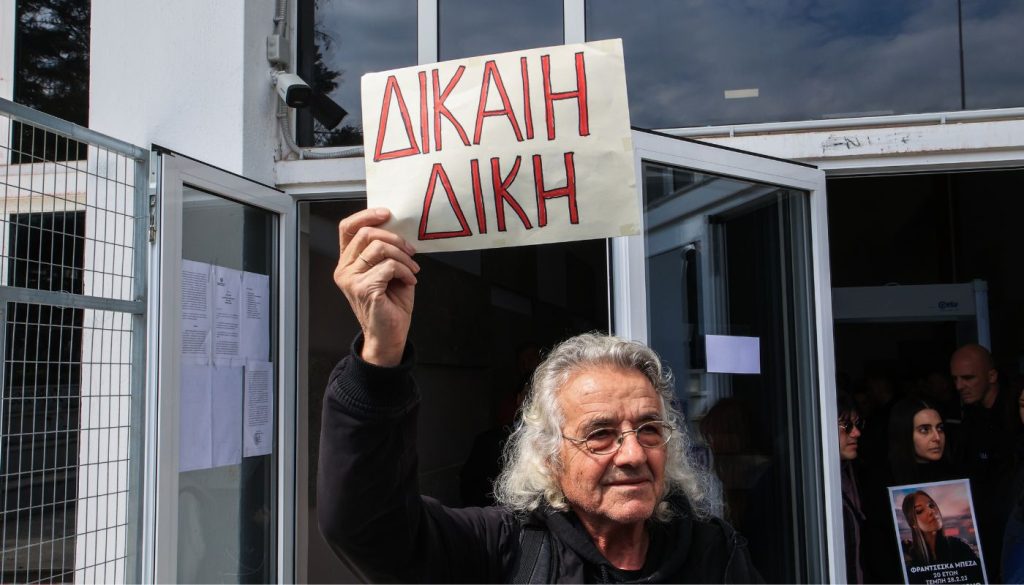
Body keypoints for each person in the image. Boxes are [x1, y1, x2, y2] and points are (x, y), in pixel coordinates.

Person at [317, 208, 762, 583]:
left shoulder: (713, 553)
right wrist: (381, 354)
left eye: (648, 429)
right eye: (600, 434)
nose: (633, 455)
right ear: (550, 458)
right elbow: (368, 528)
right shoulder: (503, 551)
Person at [949, 343, 1023, 580]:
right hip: (982, 534)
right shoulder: (970, 421)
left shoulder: (1014, 416)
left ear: (992, 376)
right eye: (955, 378)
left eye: (968, 377)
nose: (959, 386)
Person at [899, 490, 980, 582]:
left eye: (931, 505)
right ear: (912, 523)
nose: (931, 511)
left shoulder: (959, 546)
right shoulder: (908, 558)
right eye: (919, 511)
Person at [887, 398, 954, 486]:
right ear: (904, 434)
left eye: (940, 428)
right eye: (925, 430)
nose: (937, 437)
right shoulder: (886, 477)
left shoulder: (955, 472)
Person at [837, 391, 867, 583]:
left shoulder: (856, 475)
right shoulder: (804, 483)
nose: (856, 433)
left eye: (858, 424)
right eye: (846, 426)